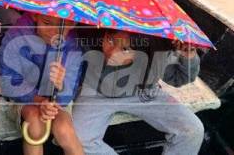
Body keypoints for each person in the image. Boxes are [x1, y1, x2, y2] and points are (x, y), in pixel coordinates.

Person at [71, 30, 204, 155]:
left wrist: (188, 54)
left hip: (144, 93)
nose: (111, 53)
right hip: (96, 92)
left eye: (125, 49)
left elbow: (178, 78)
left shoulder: (157, 50)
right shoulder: (89, 38)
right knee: (76, 139)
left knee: (192, 130)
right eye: (110, 40)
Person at [0, 13, 84, 155]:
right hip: (23, 98)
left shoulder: (72, 45)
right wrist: (40, 101)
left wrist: (60, 86)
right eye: (47, 22)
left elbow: (69, 91)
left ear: (72, 25)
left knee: (65, 129)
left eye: (61, 27)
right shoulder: (17, 35)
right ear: (35, 16)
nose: (53, 32)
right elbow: (10, 81)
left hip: (55, 102)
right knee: (35, 123)